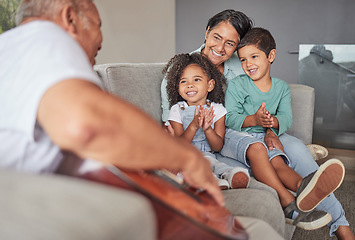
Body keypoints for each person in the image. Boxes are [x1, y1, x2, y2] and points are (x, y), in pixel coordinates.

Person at [0, 1, 285, 239]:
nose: (100, 40)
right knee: (258, 232)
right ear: (70, 18)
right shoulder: (45, 40)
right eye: (98, 25)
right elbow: (86, 124)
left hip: (60, 193)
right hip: (76, 201)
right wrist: (186, 158)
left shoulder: (10, 48)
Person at [221, 27, 354, 239]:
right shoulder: (238, 85)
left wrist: (272, 125)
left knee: (279, 162)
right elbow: (230, 119)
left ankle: (309, 188)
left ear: (271, 56)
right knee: (271, 158)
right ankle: (304, 187)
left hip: (267, 139)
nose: (248, 64)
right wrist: (255, 119)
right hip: (246, 137)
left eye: (254, 57)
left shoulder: (281, 88)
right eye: (243, 60)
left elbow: (286, 118)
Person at [164, 53, 250, 189]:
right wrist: (193, 125)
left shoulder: (217, 110)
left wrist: (208, 129)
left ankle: (230, 175)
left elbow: (217, 147)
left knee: (214, 163)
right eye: (183, 81)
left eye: (196, 80)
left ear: (210, 85)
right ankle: (209, 181)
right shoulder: (177, 110)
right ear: (178, 89)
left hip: (207, 155)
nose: (190, 85)